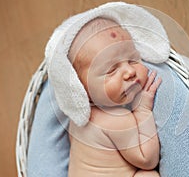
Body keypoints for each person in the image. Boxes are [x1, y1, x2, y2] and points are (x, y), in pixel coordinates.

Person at [67, 17, 162, 177]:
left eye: (133, 60)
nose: (129, 72)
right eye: (112, 70)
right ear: (82, 88)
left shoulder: (75, 118)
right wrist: (143, 110)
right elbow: (148, 160)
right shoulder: (116, 118)